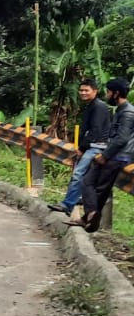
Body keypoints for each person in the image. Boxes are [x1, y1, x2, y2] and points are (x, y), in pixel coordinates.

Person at [72, 79, 134, 232]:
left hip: (118, 157)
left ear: (116, 93)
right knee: (96, 187)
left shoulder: (127, 113)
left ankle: (91, 215)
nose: (106, 95)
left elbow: (121, 139)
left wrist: (105, 156)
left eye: (108, 92)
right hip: (114, 155)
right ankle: (90, 217)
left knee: (89, 183)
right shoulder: (121, 110)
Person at [51, 79, 112, 217]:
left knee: (78, 174)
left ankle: (67, 205)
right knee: (85, 177)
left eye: (86, 90)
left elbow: (95, 130)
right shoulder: (90, 106)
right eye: (81, 90)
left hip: (97, 147)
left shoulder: (99, 107)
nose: (83, 93)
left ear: (95, 91)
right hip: (92, 145)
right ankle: (75, 200)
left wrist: (82, 148)